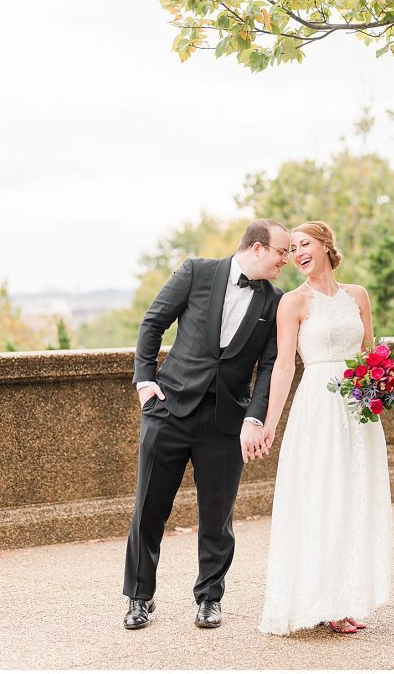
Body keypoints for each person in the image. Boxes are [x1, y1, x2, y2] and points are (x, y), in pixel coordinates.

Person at [122, 219, 290, 631]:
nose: (286, 259)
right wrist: (145, 382)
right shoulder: (197, 271)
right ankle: (139, 598)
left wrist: (255, 415)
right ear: (256, 248)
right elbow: (153, 322)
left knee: (218, 517)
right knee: (148, 509)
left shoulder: (276, 301)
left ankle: (210, 598)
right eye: (281, 251)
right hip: (169, 410)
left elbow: (269, 365)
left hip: (227, 421)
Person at [259, 221, 391, 635]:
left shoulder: (358, 296)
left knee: (354, 496)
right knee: (324, 495)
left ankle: (348, 596)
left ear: (325, 245)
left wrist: (384, 388)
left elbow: (371, 354)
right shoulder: (293, 303)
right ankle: (325, 601)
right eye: (292, 247)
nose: (297, 252)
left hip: (356, 408)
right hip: (317, 405)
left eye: (304, 244)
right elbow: (283, 366)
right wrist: (269, 424)